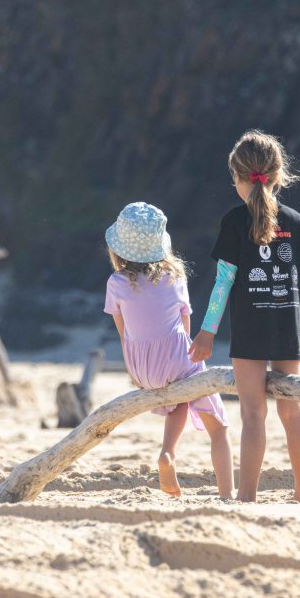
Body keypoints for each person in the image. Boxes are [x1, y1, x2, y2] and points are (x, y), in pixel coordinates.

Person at [189, 130, 300, 502]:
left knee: (253, 415)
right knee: (292, 412)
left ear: (237, 177)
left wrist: (207, 331)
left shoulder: (234, 221)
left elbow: (223, 282)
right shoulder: (296, 220)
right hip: (287, 329)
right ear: (278, 175)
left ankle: (246, 497)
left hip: (249, 330)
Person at [104, 202, 233, 499]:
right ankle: (226, 493)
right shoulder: (174, 276)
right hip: (175, 358)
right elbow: (185, 325)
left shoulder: (116, 282)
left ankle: (168, 452)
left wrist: (136, 371)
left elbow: (124, 332)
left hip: (140, 366)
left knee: (178, 399)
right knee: (219, 427)